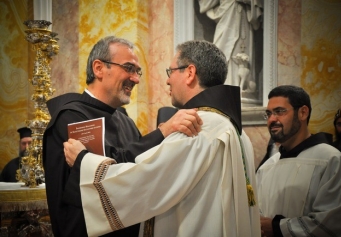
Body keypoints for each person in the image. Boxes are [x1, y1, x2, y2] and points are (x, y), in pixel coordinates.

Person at [63, 40, 260, 237]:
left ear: (190, 73)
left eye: (171, 71)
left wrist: (84, 161)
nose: (167, 81)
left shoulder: (196, 128)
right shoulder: (235, 131)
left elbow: (142, 181)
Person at [43, 36, 202, 237]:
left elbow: (139, 172)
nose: (135, 78)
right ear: (99, 68)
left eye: (137, 71)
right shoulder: (72, 116)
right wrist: (163, 132)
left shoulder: (124, 120)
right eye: (128, 68)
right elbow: (106, 173)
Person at [256, 85, 341, 236]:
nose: (272, 119)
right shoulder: (267, 167)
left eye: (279, 111)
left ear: (303, 112)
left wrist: (277, 227)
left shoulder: (331, 161)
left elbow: (333, 223)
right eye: (269, 113)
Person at [198, 0, 263, 93]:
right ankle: (223, 89)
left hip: (244, 17)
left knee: (242, 55)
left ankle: (241, 89)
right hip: (227, 17)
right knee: (222, 52)